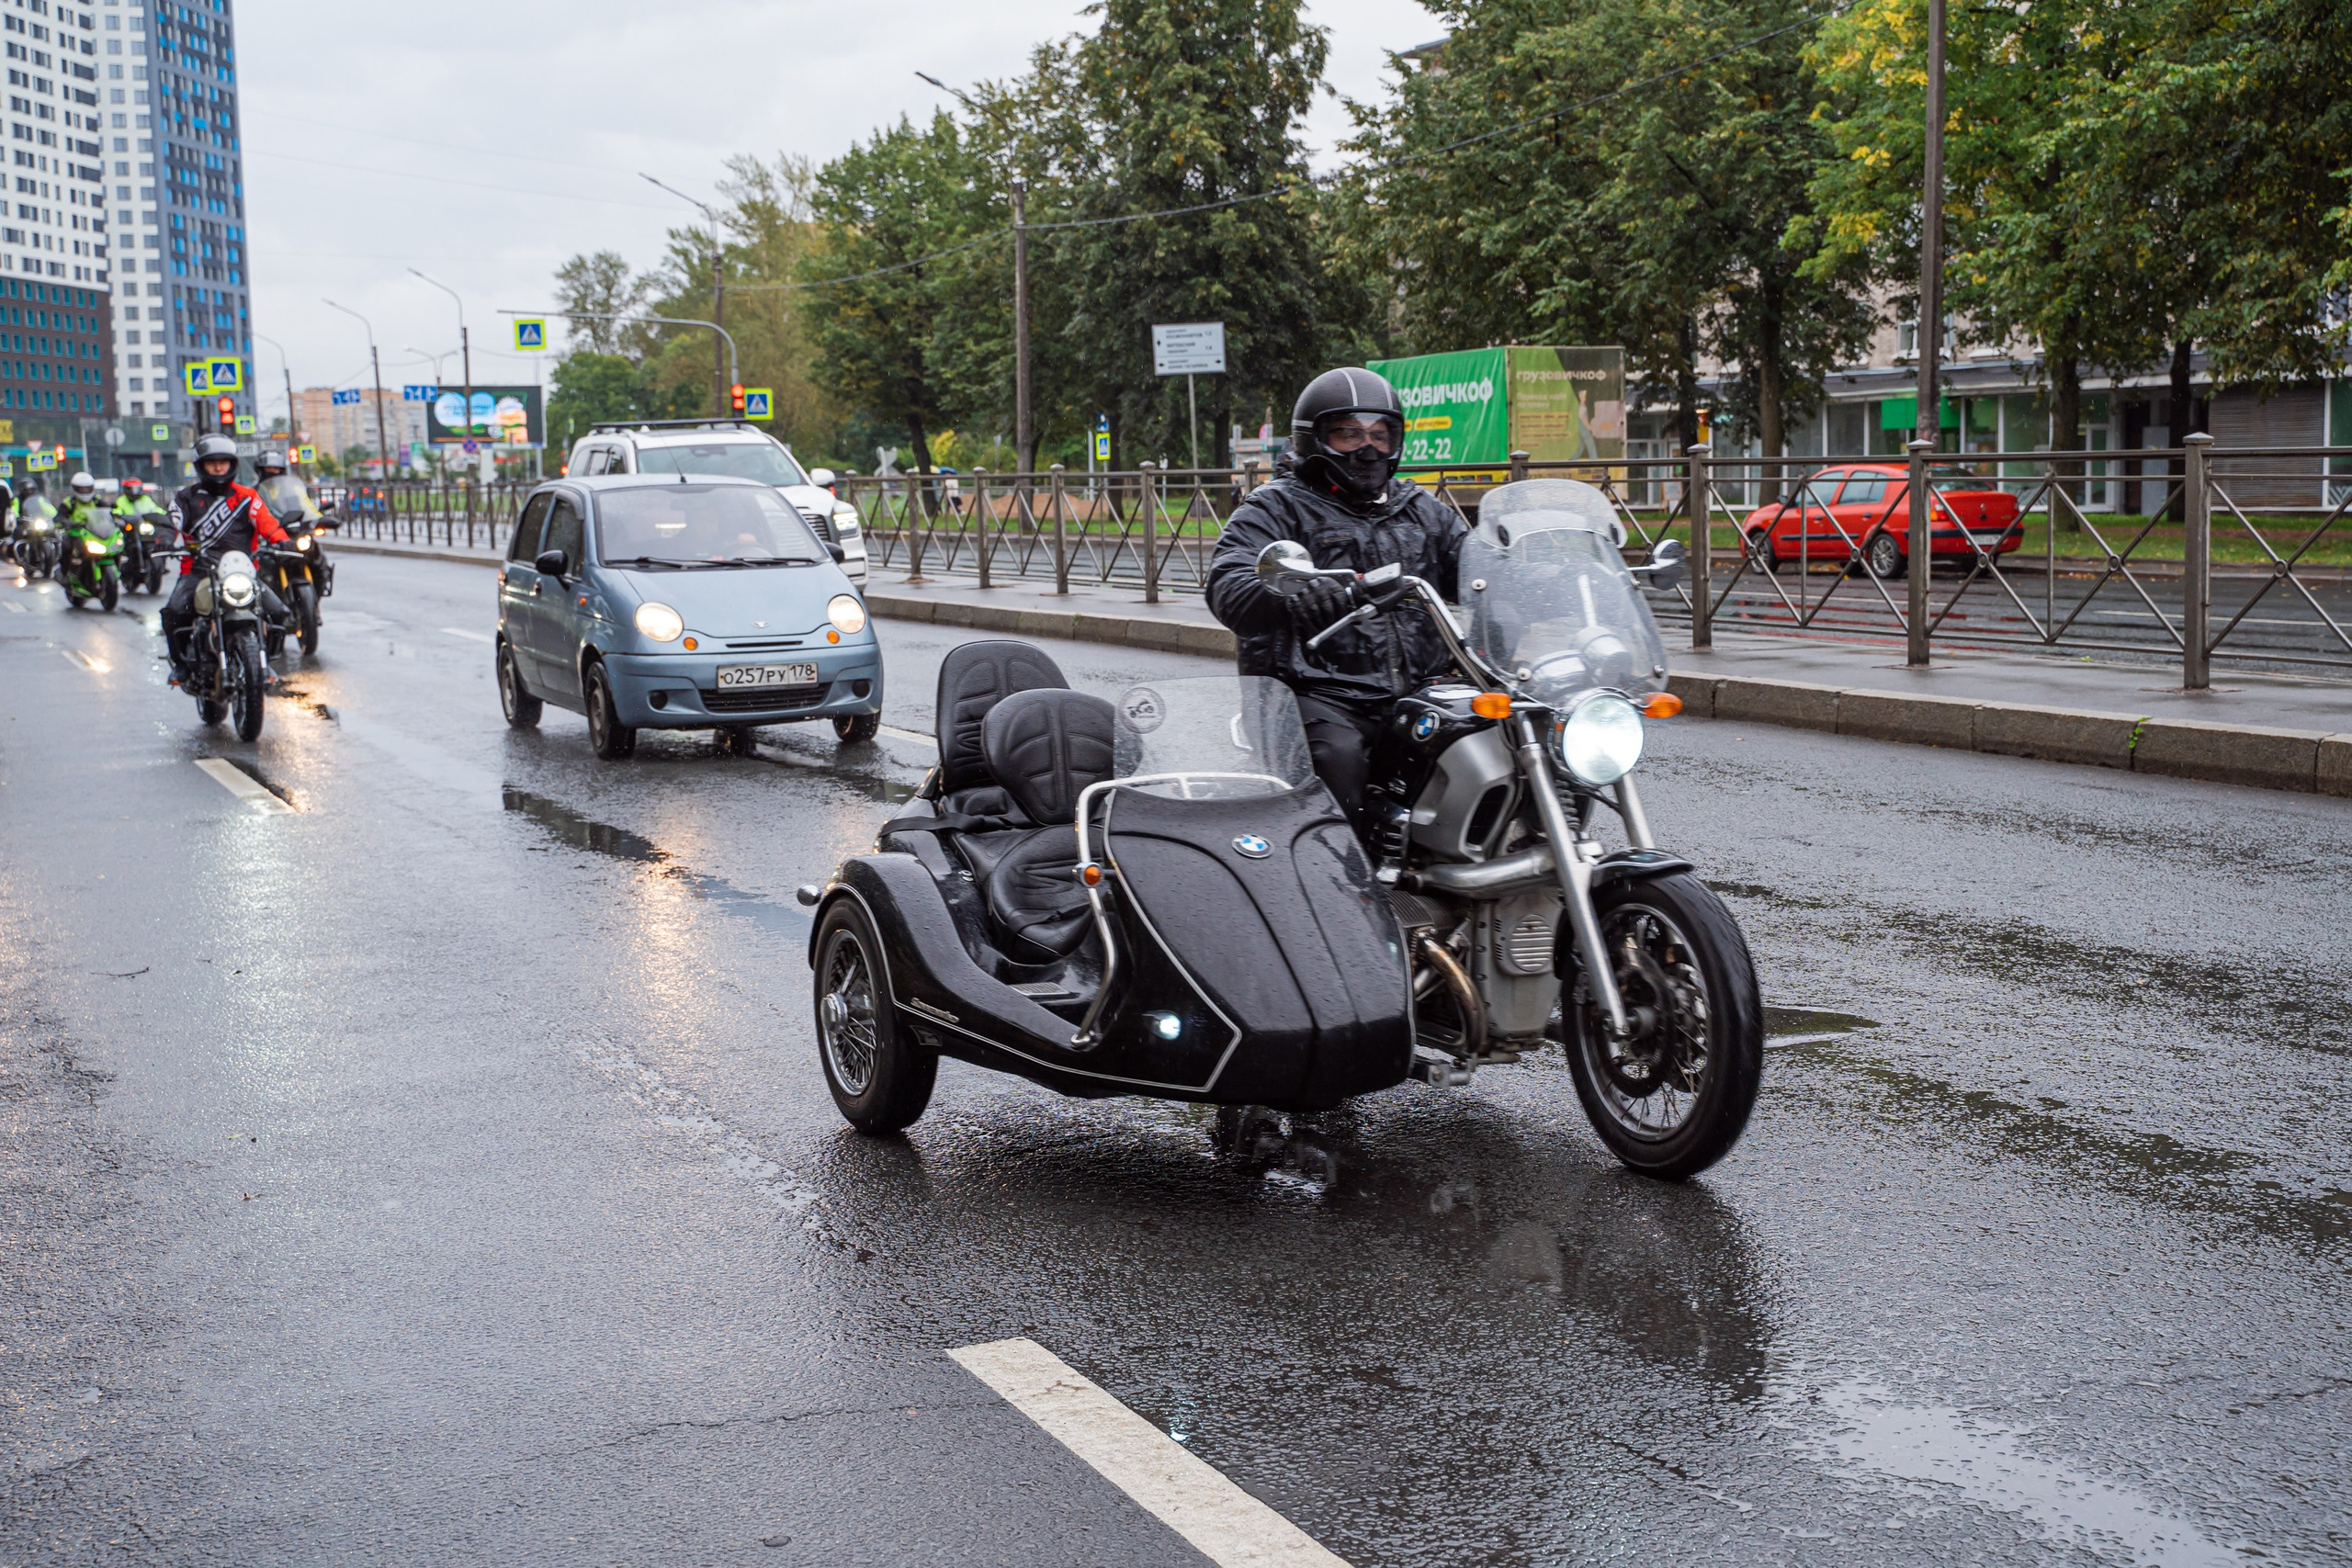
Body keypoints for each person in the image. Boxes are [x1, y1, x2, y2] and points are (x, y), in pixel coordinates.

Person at [1204, 367, 1468, 836]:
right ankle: (1339, 884)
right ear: (1314, 440)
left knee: (1506, 737)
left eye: (1380, 435)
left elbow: (1477, 563)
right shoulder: (1275, 507)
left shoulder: (1419, 510)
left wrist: (1544, 566)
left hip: (1415, 694)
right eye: (1349, 434)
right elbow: (1229, 582)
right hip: (1316, 695)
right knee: (1338, 763)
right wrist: (1291, 595)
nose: (1368, 449)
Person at [161, 434, 288, 684]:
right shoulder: (186, 498)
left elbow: (267, 524)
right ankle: (181, 667)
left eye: (224, 462)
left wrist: (283, 540)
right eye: (212, 463)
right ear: (201, 466)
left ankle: (267, 663)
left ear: (233, 464)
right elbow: (170, 522)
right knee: (174, 612)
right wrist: (163, 538)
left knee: (279, 612)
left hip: (242, 572)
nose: (219, 468)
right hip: (198, 572)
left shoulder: (247, 496)